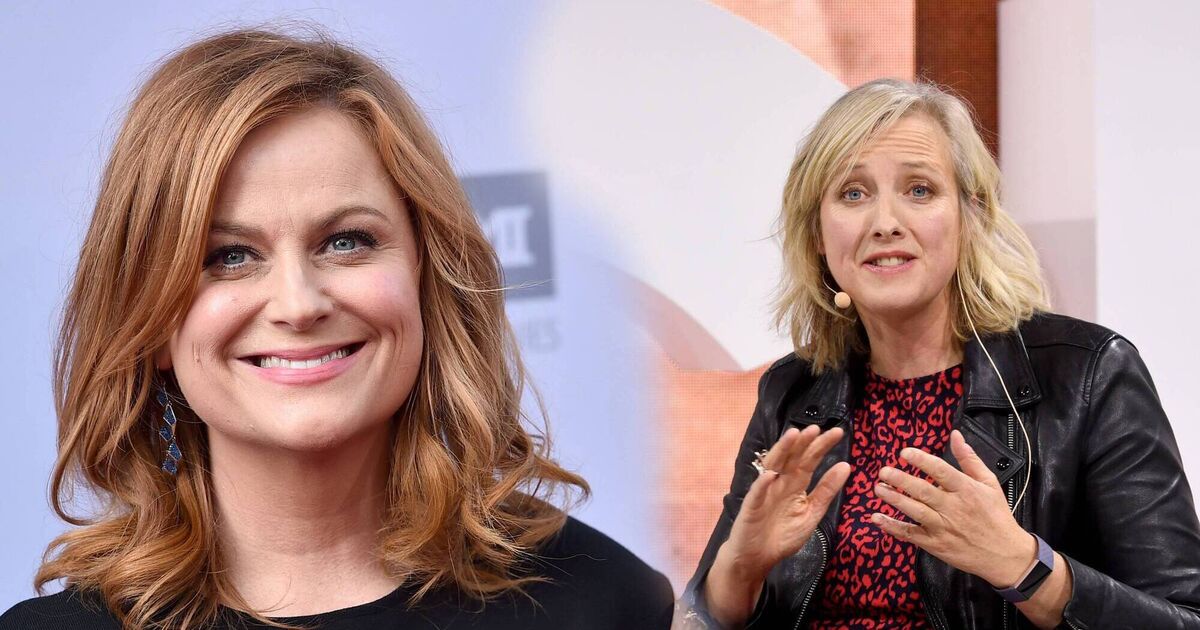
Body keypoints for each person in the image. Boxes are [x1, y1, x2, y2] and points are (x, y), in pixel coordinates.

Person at [0, 28, 672, 630]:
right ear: (148, 319)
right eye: (229, 256)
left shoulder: (605, 602)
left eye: (346, 241)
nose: (298, 304)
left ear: (425, 275)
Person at [680, 78, 1200, 629]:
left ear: (971, 217)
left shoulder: (1087, 373)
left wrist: (1024, 567)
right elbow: (702, 617)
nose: (885, 224)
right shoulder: (794, 389)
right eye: (853, 194)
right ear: (817, 234)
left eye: (920, 190)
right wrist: (739, 571)